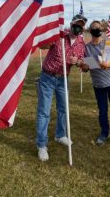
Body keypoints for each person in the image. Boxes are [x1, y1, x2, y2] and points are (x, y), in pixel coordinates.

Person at [36, 14, 87, 161]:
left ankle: (60, 135)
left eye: (81, 26)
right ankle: (41, 144)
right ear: (71, 24)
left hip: (63, 79)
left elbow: (84, 64)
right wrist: (46, 41)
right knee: (44, 111)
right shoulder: (59, 36)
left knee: (63, 109)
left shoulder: (80, 44)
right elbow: (42, 46)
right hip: (47, 77)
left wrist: (77, 61)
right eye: (76, 24)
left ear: (83, 29)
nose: (78, 27)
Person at [81, 20, 110, 151]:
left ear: (102, 30)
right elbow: (85, 68)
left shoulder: (109, 44)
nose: (96, 29)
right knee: (103, 111)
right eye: (94, 28)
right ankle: (104, 133)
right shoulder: (86, 48)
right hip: (98, 85)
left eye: (98, 27)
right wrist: (83, 66)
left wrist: (107, 65)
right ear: (90, 31)